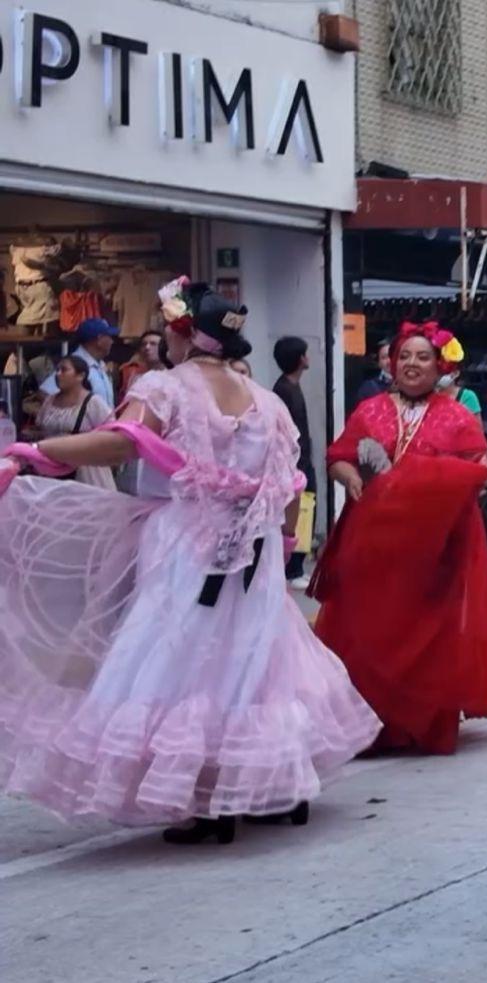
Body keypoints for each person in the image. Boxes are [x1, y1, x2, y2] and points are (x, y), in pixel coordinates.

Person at [0, 276, 380, 843]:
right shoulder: (269, 403)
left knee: (181, 660)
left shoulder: (165, 387)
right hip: (253, 553)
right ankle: (268, 790)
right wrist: (277, 546)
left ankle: (205, 801)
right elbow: (284, 491)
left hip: (187, 544)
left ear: (181, 334)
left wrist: (35, 451)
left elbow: (122, 441)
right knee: (252, 661)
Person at [311, 321, 487, 754]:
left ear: (439, 367)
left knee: (430, 630)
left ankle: (422, 722)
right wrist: (351, 477)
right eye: (404, 356)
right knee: (368, 627)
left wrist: (482, 471)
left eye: (422, 357)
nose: (412, 364)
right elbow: (338, 456)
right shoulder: (368, 410)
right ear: (393, 363)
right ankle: (367, 722)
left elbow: (481, 467)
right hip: (374, 541)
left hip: (435, 545)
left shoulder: (457, 416)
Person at [30, 354, 116, 490]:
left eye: (64, 370)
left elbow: (112, 434)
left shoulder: (93, 403)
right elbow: (40, 429)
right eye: (57, 370)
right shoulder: (49, 401)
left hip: (86, 474)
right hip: (52, 472)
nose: (58, 374)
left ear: (80, 376)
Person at [272, 337, 316, 589]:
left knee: (306, 510)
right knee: (297, 512)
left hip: (302, 459)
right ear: (300, 359)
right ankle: (292, 567)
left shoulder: (290, 386)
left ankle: (297, 565)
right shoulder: (283, 390)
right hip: (295, 462)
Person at [39, 317, 117, 407]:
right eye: (109, 337)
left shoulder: (100, 365)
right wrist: (72, 415)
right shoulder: (74, 364)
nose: (112, 341)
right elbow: (44, 393)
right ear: (99, 340)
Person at [120, 329, 166, 394]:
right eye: (143, 344)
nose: (147, 347)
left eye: (153, 344)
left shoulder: (173, 376)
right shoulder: (134, 376)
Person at [353, 339, 392, 405]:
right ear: (378, 362)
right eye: (384, 357)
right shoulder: (368, 388)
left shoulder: (410, 384)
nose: (389, 361)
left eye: (391, 356)